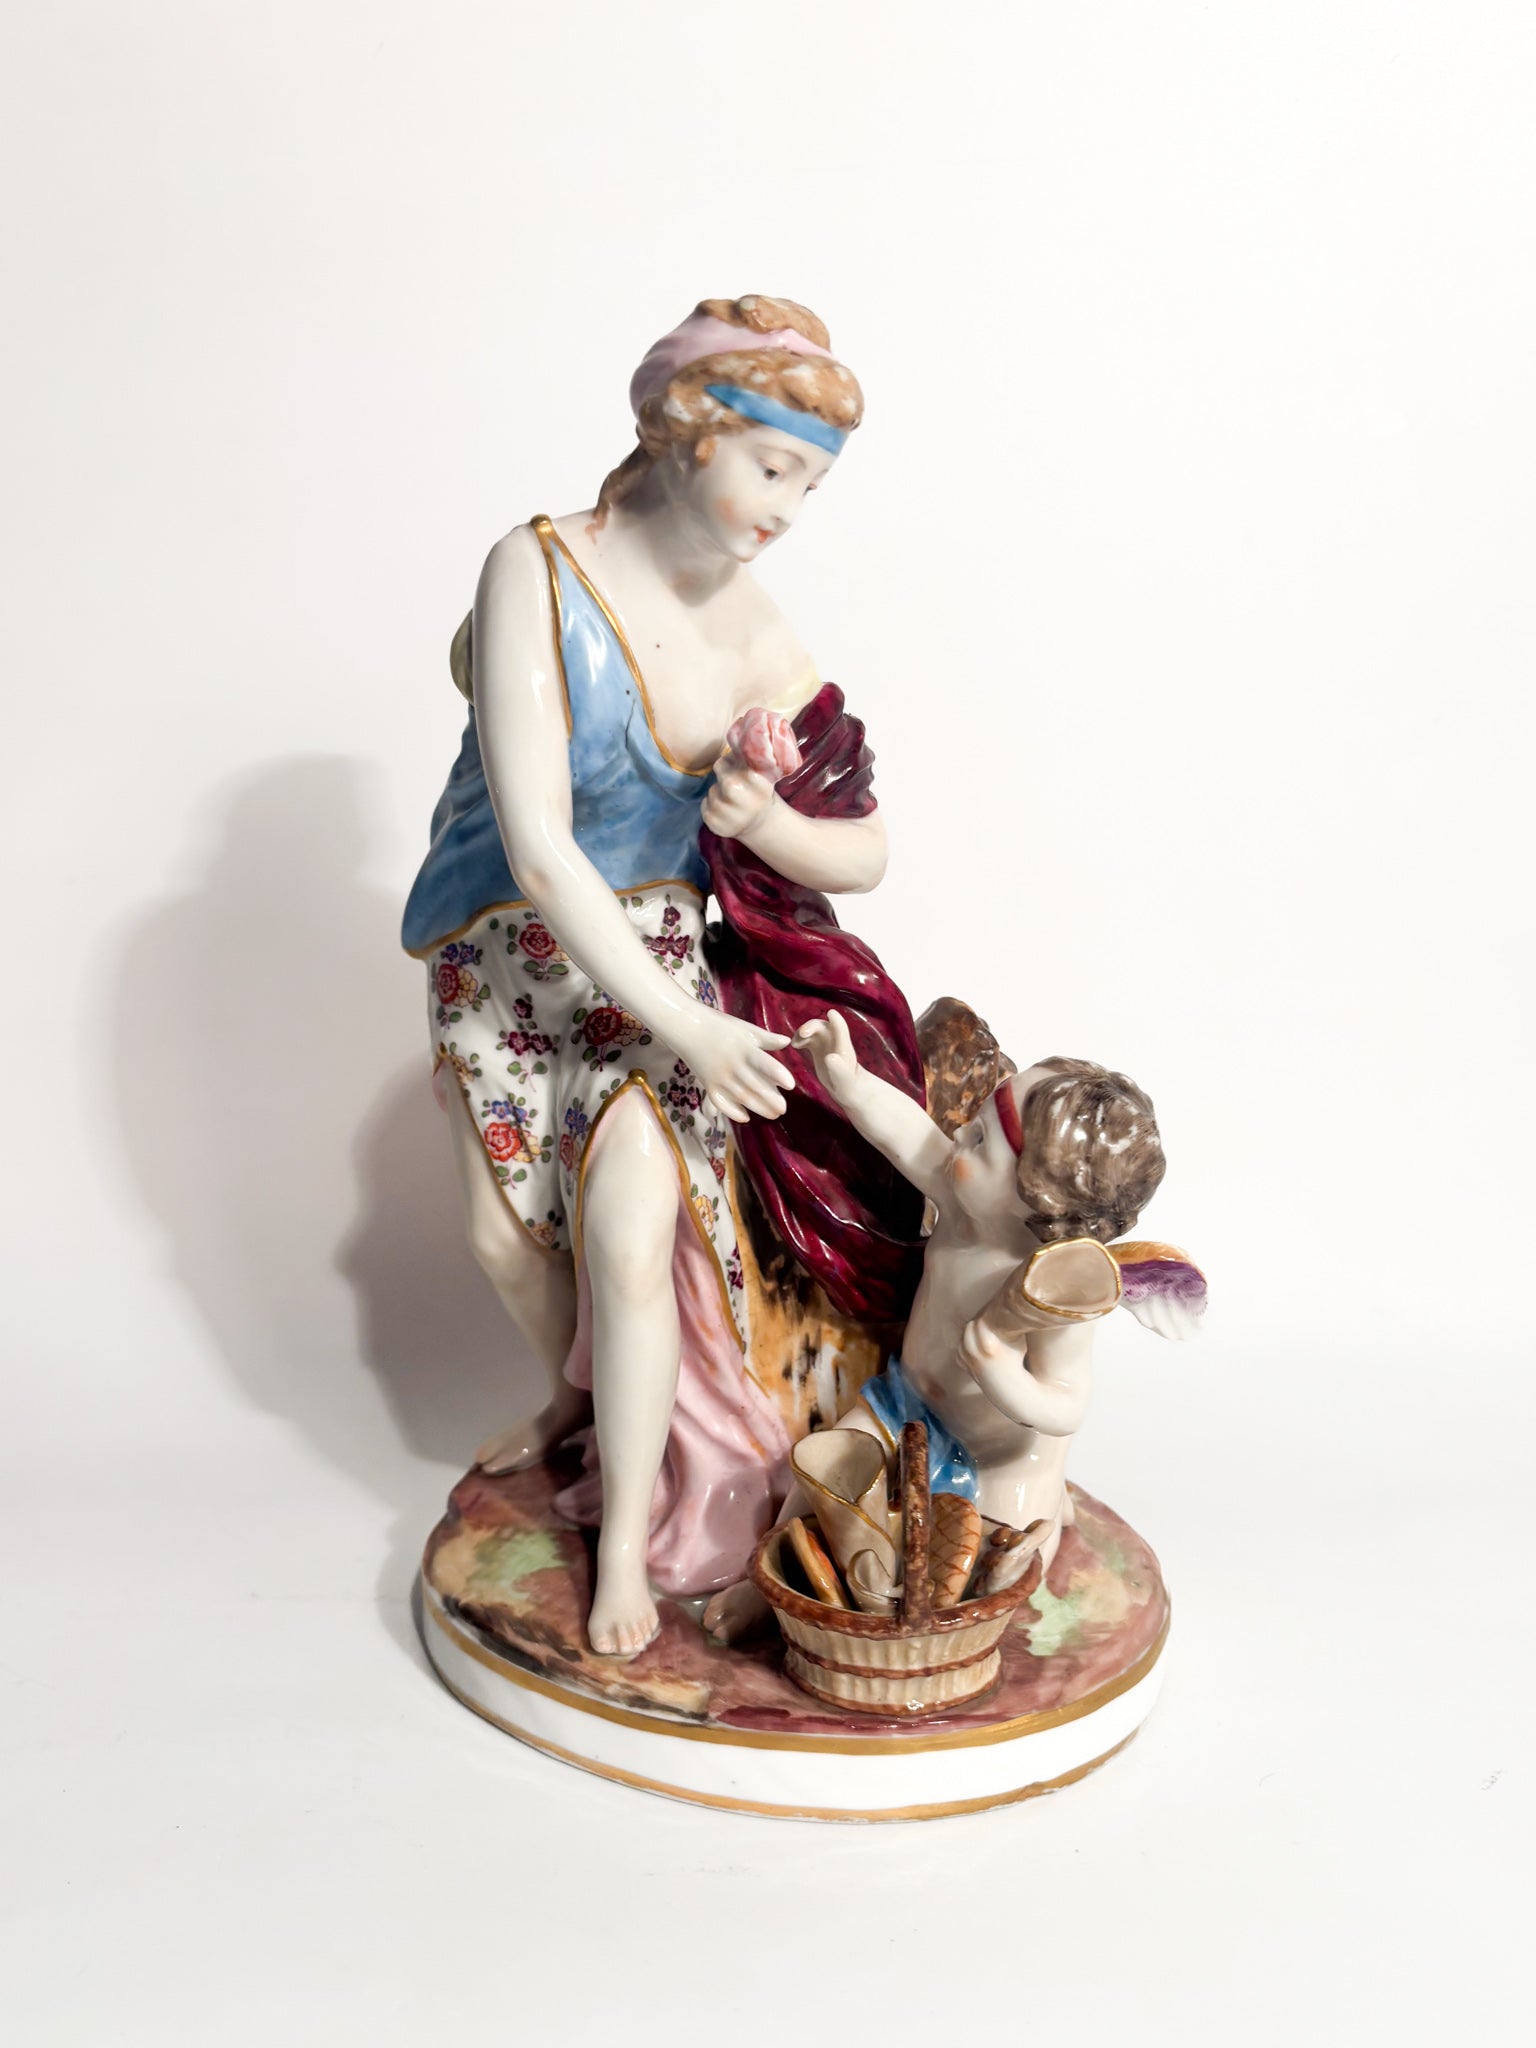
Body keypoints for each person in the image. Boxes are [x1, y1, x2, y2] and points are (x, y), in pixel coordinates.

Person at [402, 297, 908, 1654]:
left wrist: (769, 827)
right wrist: (688, 1023)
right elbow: (540, 843)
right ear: (688, 432)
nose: (787, 509)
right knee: (503, 1241)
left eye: (810, 484)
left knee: (630, 1234)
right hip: (510, 951)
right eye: (772, 466)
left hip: (663, 967)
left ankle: (623, 1540)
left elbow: (865, 851)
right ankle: (575, 1406)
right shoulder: (537, 568)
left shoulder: (759, 635)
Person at [705, 1015, 1202, 1641]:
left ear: (1035, 1200)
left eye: (983, 1140)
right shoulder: (965, 1201)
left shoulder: (1053, 1285)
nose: (961, 1132)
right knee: (821, 1472)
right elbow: (908, 1134)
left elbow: (1065, 1405)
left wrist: (1001, 1374)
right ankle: (764, 1588)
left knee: (998, 1574)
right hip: (903, 1404)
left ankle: (1045, 1508)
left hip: (1003, 1452)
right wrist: (848, 1080)